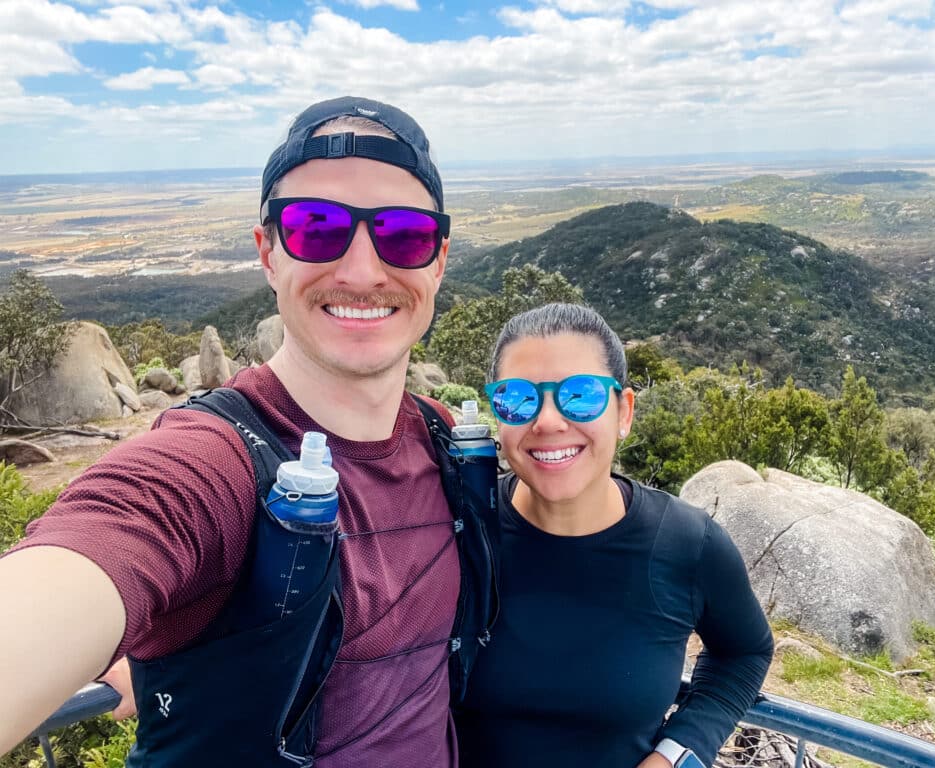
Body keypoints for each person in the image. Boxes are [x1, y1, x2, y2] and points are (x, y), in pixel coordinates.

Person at [0, 96, 496, 767]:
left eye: (403, 234)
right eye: (316, 227)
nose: (360, 269)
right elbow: (90, 556)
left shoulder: (446, 442)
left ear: (436, 260)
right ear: (268, 253)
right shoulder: (208, 466)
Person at [456, 303, 774, 768]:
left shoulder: (688, 544)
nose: (546, 421)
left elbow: (745, 653)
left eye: (580, 395)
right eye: (517, 397)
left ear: (624, 412)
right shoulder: (461, 531)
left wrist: (678, 754)